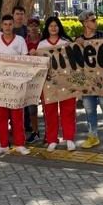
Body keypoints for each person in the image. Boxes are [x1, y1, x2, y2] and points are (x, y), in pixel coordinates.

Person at [0, 14, 30, 155]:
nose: (7, 27)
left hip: (16, 84)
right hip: (0, 84)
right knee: (0, 116)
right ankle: (3, 145)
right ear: (1, 25)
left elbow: (25, 60)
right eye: (5, 24)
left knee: (17, 116)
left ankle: (19, 144)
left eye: (10, 24)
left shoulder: (20, 40)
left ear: (13, 25)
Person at [75, 10, 103, 150]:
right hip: (87, 82)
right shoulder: (78, 40)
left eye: (95, 19)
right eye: (93, 20)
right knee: (89, 110)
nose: (95, 22)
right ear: (85, 23)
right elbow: (77, 63)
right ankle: (93, 136)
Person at [39, 16, 77, 151]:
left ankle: (69, 138)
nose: (53, 28)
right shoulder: (42, 45)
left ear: (59, 27)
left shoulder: (66, 43)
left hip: (66, 83)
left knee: (68, 111)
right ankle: (52, 139)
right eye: (50, 26)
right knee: (50, 112)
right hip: (48, 84)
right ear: (47, 28)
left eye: (55, 25)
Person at [24, 17, 43, 142]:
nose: (33, 28)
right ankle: (35, 131)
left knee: (48, 106)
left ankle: (51, 134)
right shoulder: (23, 42)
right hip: (30, 78)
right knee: (32, 107)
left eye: (35, 25)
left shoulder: (44, 41)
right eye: (31, 25)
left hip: (45, 77)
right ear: (27, 28)